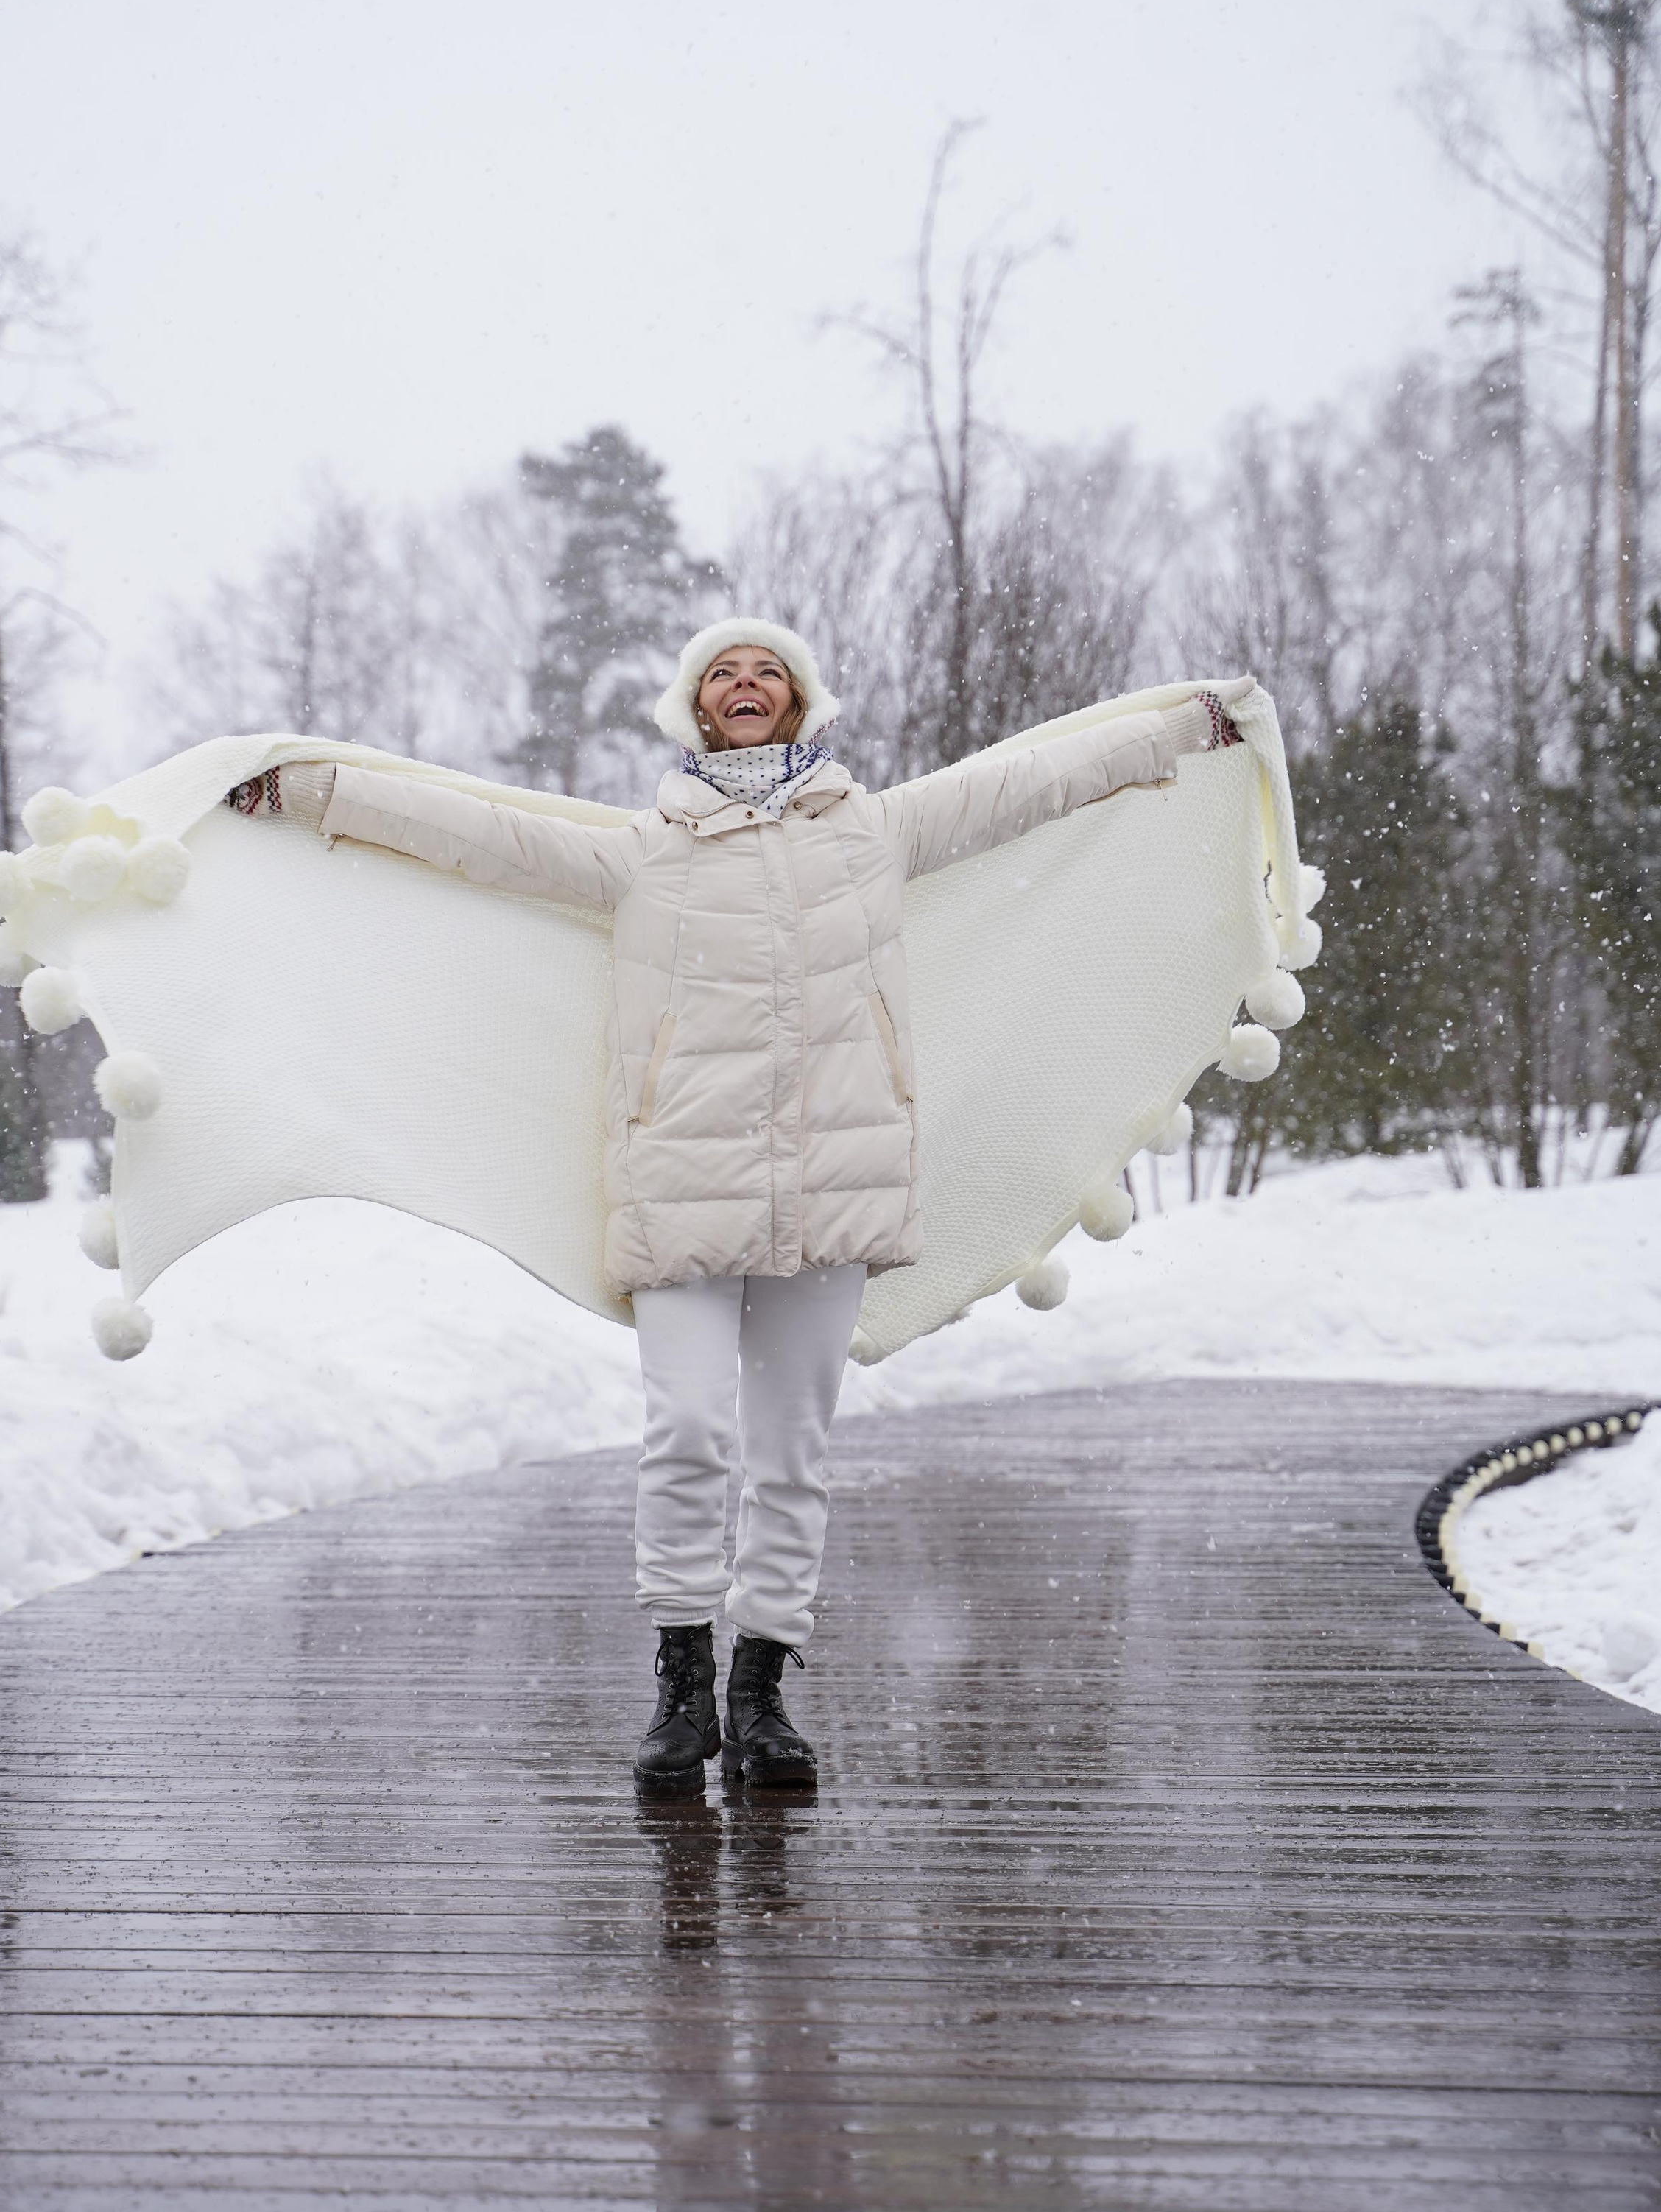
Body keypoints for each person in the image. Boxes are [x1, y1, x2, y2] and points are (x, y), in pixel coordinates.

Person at [227, 619, 1243, 1794]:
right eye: (725, 674)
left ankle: (760, 1691)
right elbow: (479, 835)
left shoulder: (877, 829)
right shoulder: (643, 852)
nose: (746, 684)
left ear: (801, 702)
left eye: (768, 672)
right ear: (696, 709)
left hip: (834, 1182)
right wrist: (314, 792)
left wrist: (1178, 730)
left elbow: (1028, 783)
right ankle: (680, 1681)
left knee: (794, 1450)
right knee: (691, 1430)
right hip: (683, 1182)